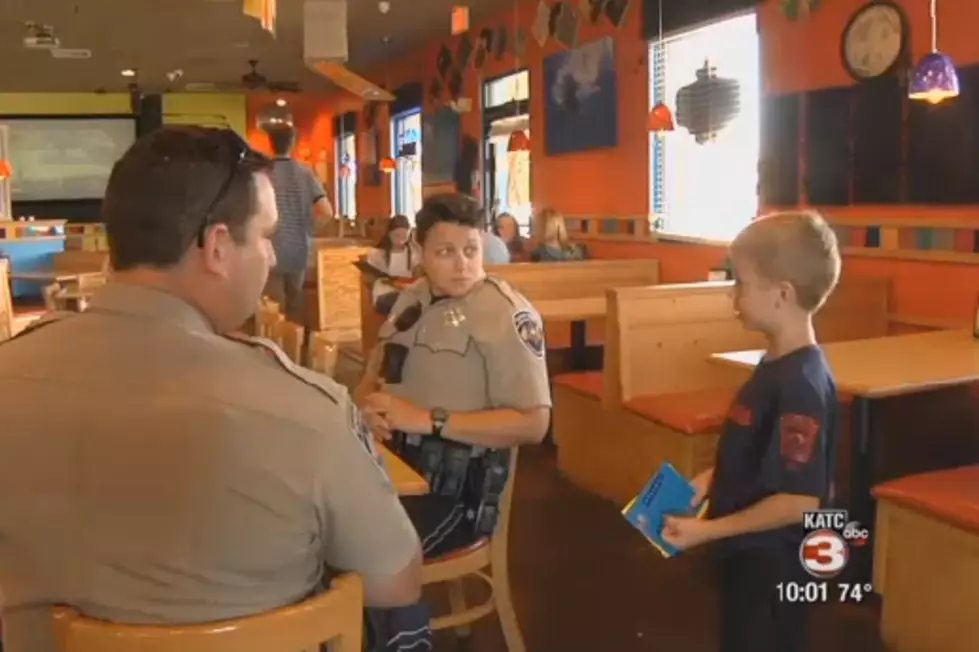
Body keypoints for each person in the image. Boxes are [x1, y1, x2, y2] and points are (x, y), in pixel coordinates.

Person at [0, 126, 426, 652]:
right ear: (218, 246)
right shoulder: (305, 410)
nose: (271, 258)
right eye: (266, 236)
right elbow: (397, 580)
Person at [661, 211, 841, 652]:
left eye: (740, 282)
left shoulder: (802, 384)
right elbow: (753, 449)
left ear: (782, 294)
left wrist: (708, 531)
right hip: (746, 557)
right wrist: (703, 485)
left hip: (773, 564)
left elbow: (799, 501)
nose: (732, 294)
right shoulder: (774, 364)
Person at [355, 193, 551, 559]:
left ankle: (402, 617)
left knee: (366, 557)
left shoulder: (505, 315)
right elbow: (373, 378)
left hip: (458, 495)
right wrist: (367, 410)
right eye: (445, 252)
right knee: (315, 528)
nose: (462, 265)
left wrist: (429, 420)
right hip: (393, 469)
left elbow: (535, 424)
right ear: (420, 250)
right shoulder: (410, 299)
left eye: (471, 250)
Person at [265, 125, 334, 324]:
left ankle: (272, 348)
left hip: (270, 247)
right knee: (295, 304)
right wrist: (309, 228)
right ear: (293, 144)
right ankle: (296, 348)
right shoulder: (305, 174)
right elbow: (327, 212)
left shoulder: (263, 173)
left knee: (272, 307)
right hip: (298, 247)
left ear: (271, 144)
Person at [366, 214, 419, 315]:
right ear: (389, 234)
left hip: (407, 292)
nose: (400, 240)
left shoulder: (412, 253)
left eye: (404, 236)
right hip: (384, 294)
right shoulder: (377, 253)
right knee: (401, 302)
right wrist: (389, 282)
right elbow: (368, 279)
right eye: (397, 236)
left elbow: (418, 277)